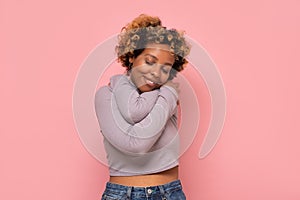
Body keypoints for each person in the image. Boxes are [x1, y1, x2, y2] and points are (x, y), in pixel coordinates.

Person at [95, 14, 191, 200]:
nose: (156, 73)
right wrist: (167, 93)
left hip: (170, 193)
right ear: (132, 56)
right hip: (123, 195)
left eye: (165, 69)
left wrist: (168, 94)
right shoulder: (105, 96)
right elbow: (137, 146)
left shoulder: (167, 96)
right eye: (149, 61)